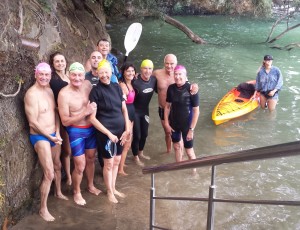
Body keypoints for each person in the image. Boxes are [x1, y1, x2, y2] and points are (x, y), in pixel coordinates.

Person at [24, 62, 67, 222]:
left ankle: (58, 192)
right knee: (49, 173)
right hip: (40, 137)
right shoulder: (31, 94)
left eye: (46, 75)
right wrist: (50, 137)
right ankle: (43, 208)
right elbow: (33, 122)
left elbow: (55, 112)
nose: (44, 77)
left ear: (50, 76)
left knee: (58, 166)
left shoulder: (49, 90)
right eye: (41, 74)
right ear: (36, 75)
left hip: (53, 134)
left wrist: (56, 131)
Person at [58, 62, 101, 206]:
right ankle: (77, 191)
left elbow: (103, 88)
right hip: (76, 131)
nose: (77, 78)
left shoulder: (88, 85)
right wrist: (85, 112)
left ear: (84, 75)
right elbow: (65, 121)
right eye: (74, 75)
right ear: (69, 75)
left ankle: (90, 185)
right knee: (80, 165)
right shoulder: (64, 94)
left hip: (91, 128)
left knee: (91, 158)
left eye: (80, 75)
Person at [89, 59, 131, 203]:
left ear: (111, 72)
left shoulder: (117, 87)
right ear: (97, 74)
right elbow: (92, 118)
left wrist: (127, 129)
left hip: (120, 130)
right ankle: (109, 192)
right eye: (101, 73)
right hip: (106, 132)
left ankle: (113, 188)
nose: (104, 75)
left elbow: (124, 110)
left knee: (117, 160)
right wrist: (108, 133)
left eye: (107, 72)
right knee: (108, 163)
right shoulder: (95, 91)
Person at [153, 54, 198, 153]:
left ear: (176, 63)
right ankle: (168, 151)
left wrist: (195, 86)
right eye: (167, 63)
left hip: (177, 111)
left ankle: (180, 151)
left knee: (179, 134)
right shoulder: (157, 73)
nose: (169, 66)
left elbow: (189, 86)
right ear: (164, 63)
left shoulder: (179, 74)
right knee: (167, 132)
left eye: (172, 64)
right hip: (163, 108)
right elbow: (146, 78)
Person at [164, 65, 200, 174]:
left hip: (186, 125)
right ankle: (179, 169)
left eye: (180, 74)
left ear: (185, 76)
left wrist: (191, 129)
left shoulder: (192, 90)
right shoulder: (171, 88)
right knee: (176, 146)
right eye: (176, 74)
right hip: (174, 123)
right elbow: (167, 106)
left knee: (189, 151)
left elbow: (196, 111)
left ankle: (194, 172)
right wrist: (166, 123)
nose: (177, 76)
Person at [49, 51, 72, 186]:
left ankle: (69, 172)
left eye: (62, 61)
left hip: (72, 115)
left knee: (71, 148)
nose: (60, 63)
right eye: (57, 61)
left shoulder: (68, 76)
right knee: (67, 149)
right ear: (53, 64)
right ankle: (68, 176)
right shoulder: (54, 81)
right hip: (61, 116)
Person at [131, 59, 157, 167]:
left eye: (150, 68)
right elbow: (123, 83)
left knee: (145, 134)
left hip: (145, 111)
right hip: (135, 111)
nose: (147, 71)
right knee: (137, 135)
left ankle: (141, 152)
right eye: (145, 68)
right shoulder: (135, 81)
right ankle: (135, 156)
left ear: (152, 70)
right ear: (141, 69)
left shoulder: (154, 80)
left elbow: (164, 89)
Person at [118, 62, 136, 175]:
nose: (131, 73)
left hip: (132, 113)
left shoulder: (131, 83)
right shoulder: (122, 85)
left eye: (132, 71)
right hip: (126, 114)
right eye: (128, 71)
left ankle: (121, 163)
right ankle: (120, 170)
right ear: (123, 72)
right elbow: (122, 104)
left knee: (129, 141)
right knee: (127, 142)